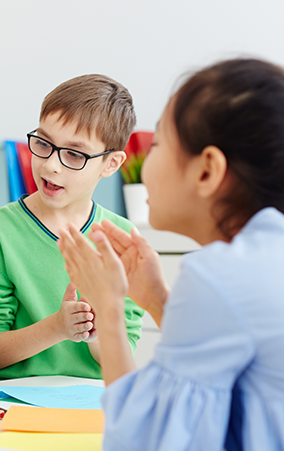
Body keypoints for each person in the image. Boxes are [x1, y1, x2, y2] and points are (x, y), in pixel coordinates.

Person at [58, 58, 284, 450]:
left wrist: (108, 311)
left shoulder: (221, 275)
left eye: (158, 143)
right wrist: (158, 301)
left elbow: (143, 442)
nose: (143, 163)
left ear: (207, 171)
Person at [0, 75, 144, 383]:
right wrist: (57, 327)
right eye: (43, 143)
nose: (51, 165)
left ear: (110, 163)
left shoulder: (121, 242)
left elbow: (119, 361)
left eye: (74, 154)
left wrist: (96, 329)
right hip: (8, 402)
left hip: (88, 405)